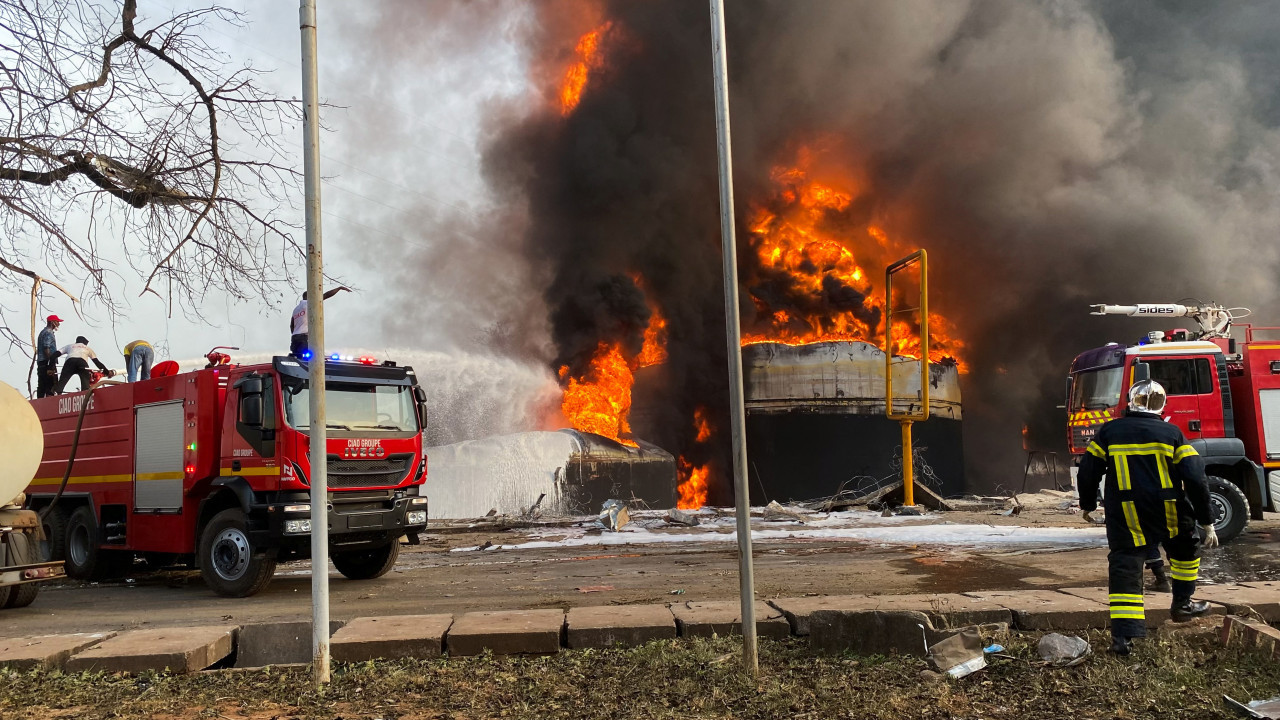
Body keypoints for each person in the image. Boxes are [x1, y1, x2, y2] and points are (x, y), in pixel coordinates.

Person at [1078, 378, 1218, 656]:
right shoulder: (1173, 434)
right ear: (1162, 405)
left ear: (1130, 401)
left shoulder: (1110, 431)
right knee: (1185, 553)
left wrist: (1088, 504)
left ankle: (1123, 639)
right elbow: (1195, 478)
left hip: (1126, 513)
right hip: (1170, 511)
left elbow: (1088, 470)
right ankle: (1182, 605)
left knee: (1125, 569)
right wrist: (1206, 520)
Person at [290, 286, 350, 357]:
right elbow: (326, 295)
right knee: (310, 360)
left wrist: (295, 333)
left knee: (298, 359)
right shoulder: (309, 303)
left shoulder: (296, 309)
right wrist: (339, 288)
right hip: (304, 337)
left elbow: (291, 325)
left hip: (295, 338)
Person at [35, 314, 63, 398]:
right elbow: (46, 347)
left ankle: (39, 403)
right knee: (50, 384)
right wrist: (51, 362)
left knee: (42, 385)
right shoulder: (48, 333)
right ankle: (49, 403)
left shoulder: (43, 332)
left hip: (42, 362)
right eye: (57, 322)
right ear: (52, 322)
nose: (58, 324)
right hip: (47, 362)